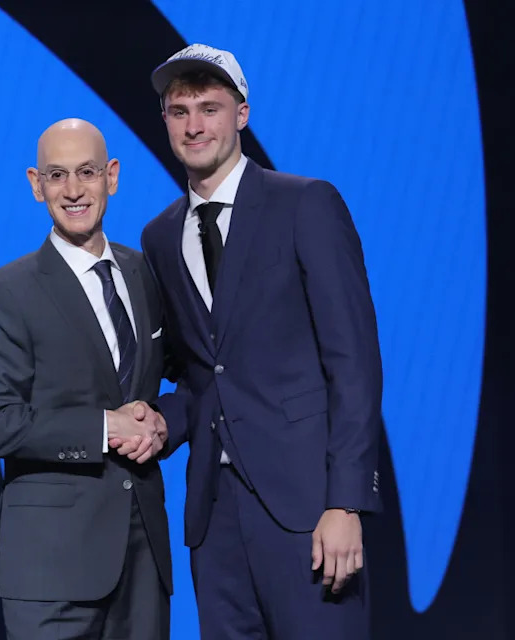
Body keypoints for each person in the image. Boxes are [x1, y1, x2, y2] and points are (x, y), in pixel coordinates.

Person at [142, 44, 384, 638]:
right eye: (179, 111)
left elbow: (353, 362)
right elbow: (201, 375)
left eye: (209, 107)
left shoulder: (305, 204)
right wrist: (157, 423)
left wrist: (345, 503)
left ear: (242, 114)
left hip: (308, 507)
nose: (194, 125)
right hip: (215, 517)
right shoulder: (160, 236)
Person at [0, 118, 173, 639]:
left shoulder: (146, 274)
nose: (74, 190)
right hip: (50, 570)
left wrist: (163, 423)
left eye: (87, 172)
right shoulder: (5, 294)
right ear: (36, 184)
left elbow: (179, 378)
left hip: (142, 563)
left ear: (113, 176)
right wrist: (106, 429)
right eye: (58, 175)